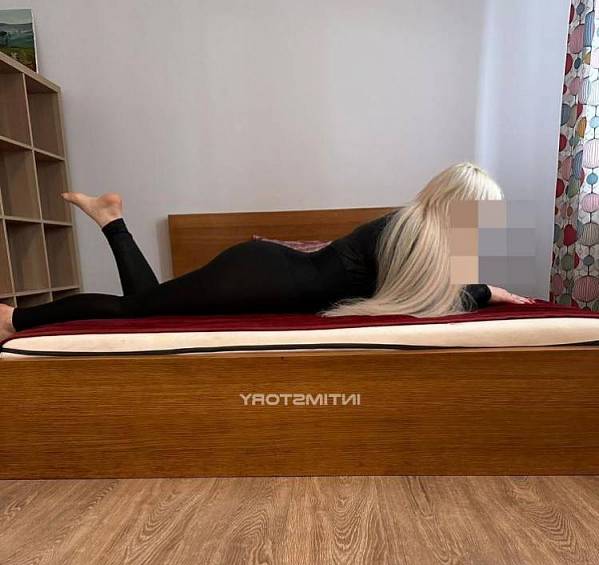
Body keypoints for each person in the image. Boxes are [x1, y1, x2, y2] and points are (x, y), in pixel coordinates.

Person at [0, 162, 533, 343]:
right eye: (480, 214)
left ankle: (110, 218)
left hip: (273, 276)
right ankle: (15, 319)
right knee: (134, 311)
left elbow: (426, 294)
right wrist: (485, 291)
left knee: (147, 308)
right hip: (261, 274)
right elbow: (421, 298)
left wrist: (486, 291)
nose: (482, 228)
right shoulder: (408, 229)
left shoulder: (423, 237)